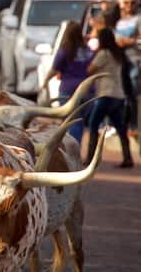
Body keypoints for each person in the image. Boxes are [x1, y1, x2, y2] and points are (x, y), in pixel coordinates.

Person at [87, 22, 133, 168]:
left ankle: (90, 159)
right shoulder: (117, 53)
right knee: (120, 128)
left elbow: (90, 70)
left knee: (93, 124)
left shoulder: (103, 53)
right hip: (118, 95)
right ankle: (127, 157)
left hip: (105, 94)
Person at [45, 22, 94, 141]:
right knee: (79, 121)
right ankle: (76, 147)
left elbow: (54, 69)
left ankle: (71, 151)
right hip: (87, 90)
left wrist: (45, 82)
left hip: (68, 89)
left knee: (69, 121)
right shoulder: (88, 51)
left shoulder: (65, 50)